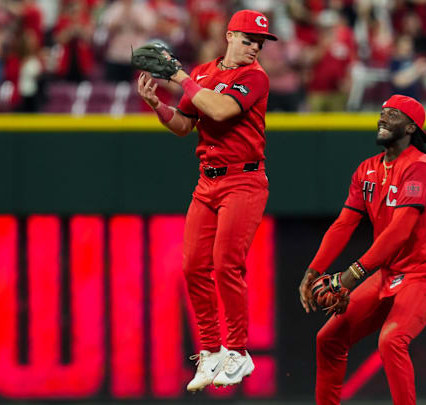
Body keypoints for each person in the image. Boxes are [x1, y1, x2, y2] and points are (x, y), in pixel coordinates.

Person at [135, 9, 277, 391]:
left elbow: (220, 109)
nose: (254, 48)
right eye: (248, 39)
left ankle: (239, 351)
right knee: (194, 267)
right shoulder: (201, 72)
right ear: (229, 36)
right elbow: (186, 126)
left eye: (259, 43)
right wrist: (157, 105)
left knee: (226, 264)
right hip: (208, 181)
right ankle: (211, 351)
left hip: (244, 180)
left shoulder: (255, 76)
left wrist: (179, 78)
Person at [298, 95, 426, 405]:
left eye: (393, 114)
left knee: (392, 340)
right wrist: (313, 271)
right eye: (382, 113)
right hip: (391, 274)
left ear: (411, 127)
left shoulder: (419, 166)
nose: (382, 118)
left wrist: (348, 277)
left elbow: (399, 232)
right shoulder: (367, 170)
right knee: (328, 339)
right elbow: (343, 225)